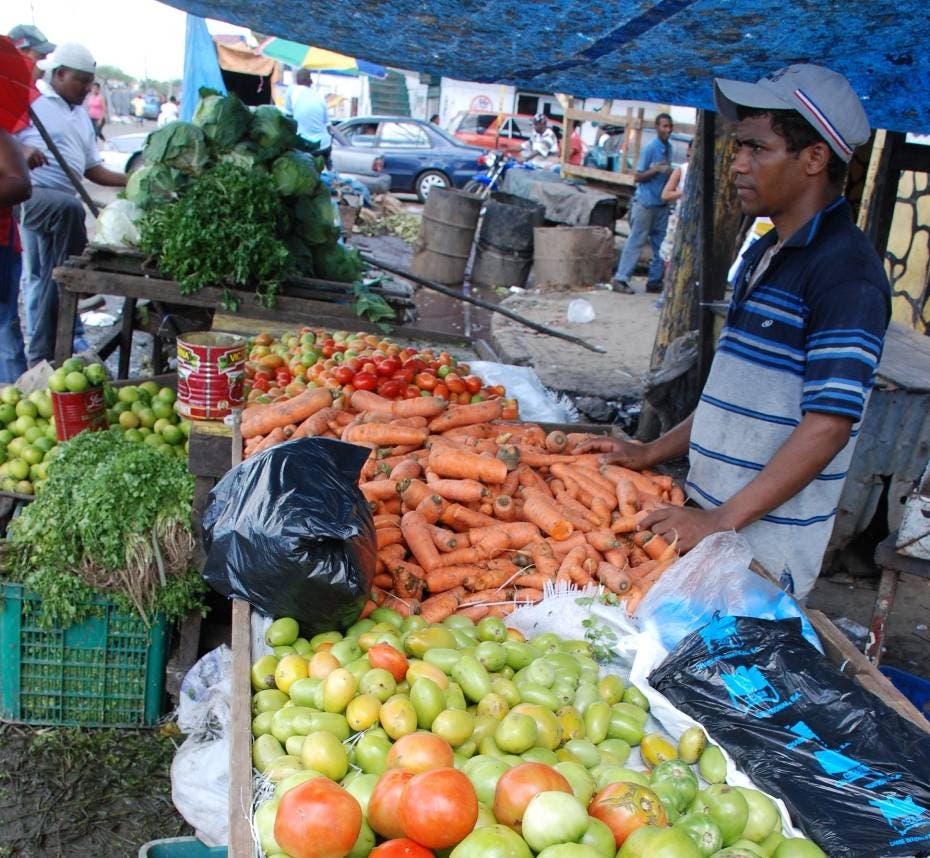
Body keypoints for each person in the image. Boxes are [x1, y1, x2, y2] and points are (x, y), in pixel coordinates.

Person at [583, 64, 890, 601]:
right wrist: (651, 451)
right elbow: (733, 396)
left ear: (815, 158)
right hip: (705, 523)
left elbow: (828, 427)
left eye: (757, 149)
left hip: (761, 552)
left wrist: (723, 519)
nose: (738, 165)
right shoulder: (765, 253)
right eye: (738, 148)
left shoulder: (846, 272)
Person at [15, 43, 127, 366]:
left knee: (45, 277)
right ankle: (76, 284)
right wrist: (21, 153)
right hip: (34, 195)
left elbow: (92, 169)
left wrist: (131, 180)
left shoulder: (81, 116)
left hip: (62, 200)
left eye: (90, 82)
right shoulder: (34, 100)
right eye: (80, 80)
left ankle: (44, 349)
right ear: (59, 74)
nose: (87, 89)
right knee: (69, 212)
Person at [610, 113, 674, 294]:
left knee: (661, 245)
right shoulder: (650, 149)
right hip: (645, 203)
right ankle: (621, 278)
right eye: (664, 127)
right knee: (636, 241)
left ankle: (654, 281)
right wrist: (656, 170)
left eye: (669, 127)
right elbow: (638, 176)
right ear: (657, 127)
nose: (667, 130)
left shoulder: (667, 148)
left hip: (660, 204)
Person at [285, 70, 333, 168]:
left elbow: (288, 118)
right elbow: (328, 126)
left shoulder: (292, 90)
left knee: (305, 176)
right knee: (327, 177)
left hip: (305, 146)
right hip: (324, 145)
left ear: (297, 80)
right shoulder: (320, 96)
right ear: (310, 81)